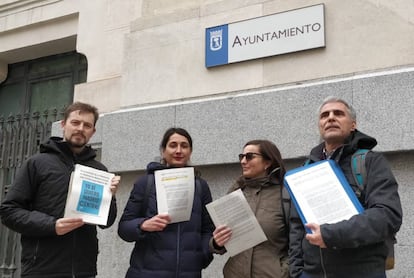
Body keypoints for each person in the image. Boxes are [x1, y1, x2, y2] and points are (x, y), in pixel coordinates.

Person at [0, 101, 120, 278]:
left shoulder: (99, 170)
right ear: (63, 125)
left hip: (83, 270)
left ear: (93, 132)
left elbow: (106, 222)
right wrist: (52, 225)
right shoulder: (37, 163)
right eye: (75, 122)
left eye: (87, 125)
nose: (80, 128)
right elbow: (9, 211)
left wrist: (110, 197)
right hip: (42, 269)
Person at [289, 96, 403, 278]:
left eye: (338, 114)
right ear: (320, 125)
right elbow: (296, 225)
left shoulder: (370, 162)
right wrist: (296, 272)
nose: (330, 118)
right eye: (324, 115)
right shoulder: (306, 169)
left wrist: (329, 235)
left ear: (353, 125)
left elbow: (387, 215)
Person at [118, 127, 214, 278]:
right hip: (146, 273)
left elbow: (208, 229)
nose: (178, 150)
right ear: (163, 151)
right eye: (173, 145)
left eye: (184, 145)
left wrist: (201, 255)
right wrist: (143, 225)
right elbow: (123, 228)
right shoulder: (146, 183)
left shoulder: (200, 186)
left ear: (190, 151)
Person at [211, 139, 290, 278]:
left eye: (249, 156)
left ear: (268, 162)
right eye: (242, 157)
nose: (243, 161)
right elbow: (221, 243)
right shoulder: (236, 191)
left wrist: (283, 272)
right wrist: (217, 242)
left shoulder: (285, 193)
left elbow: (299, 242)